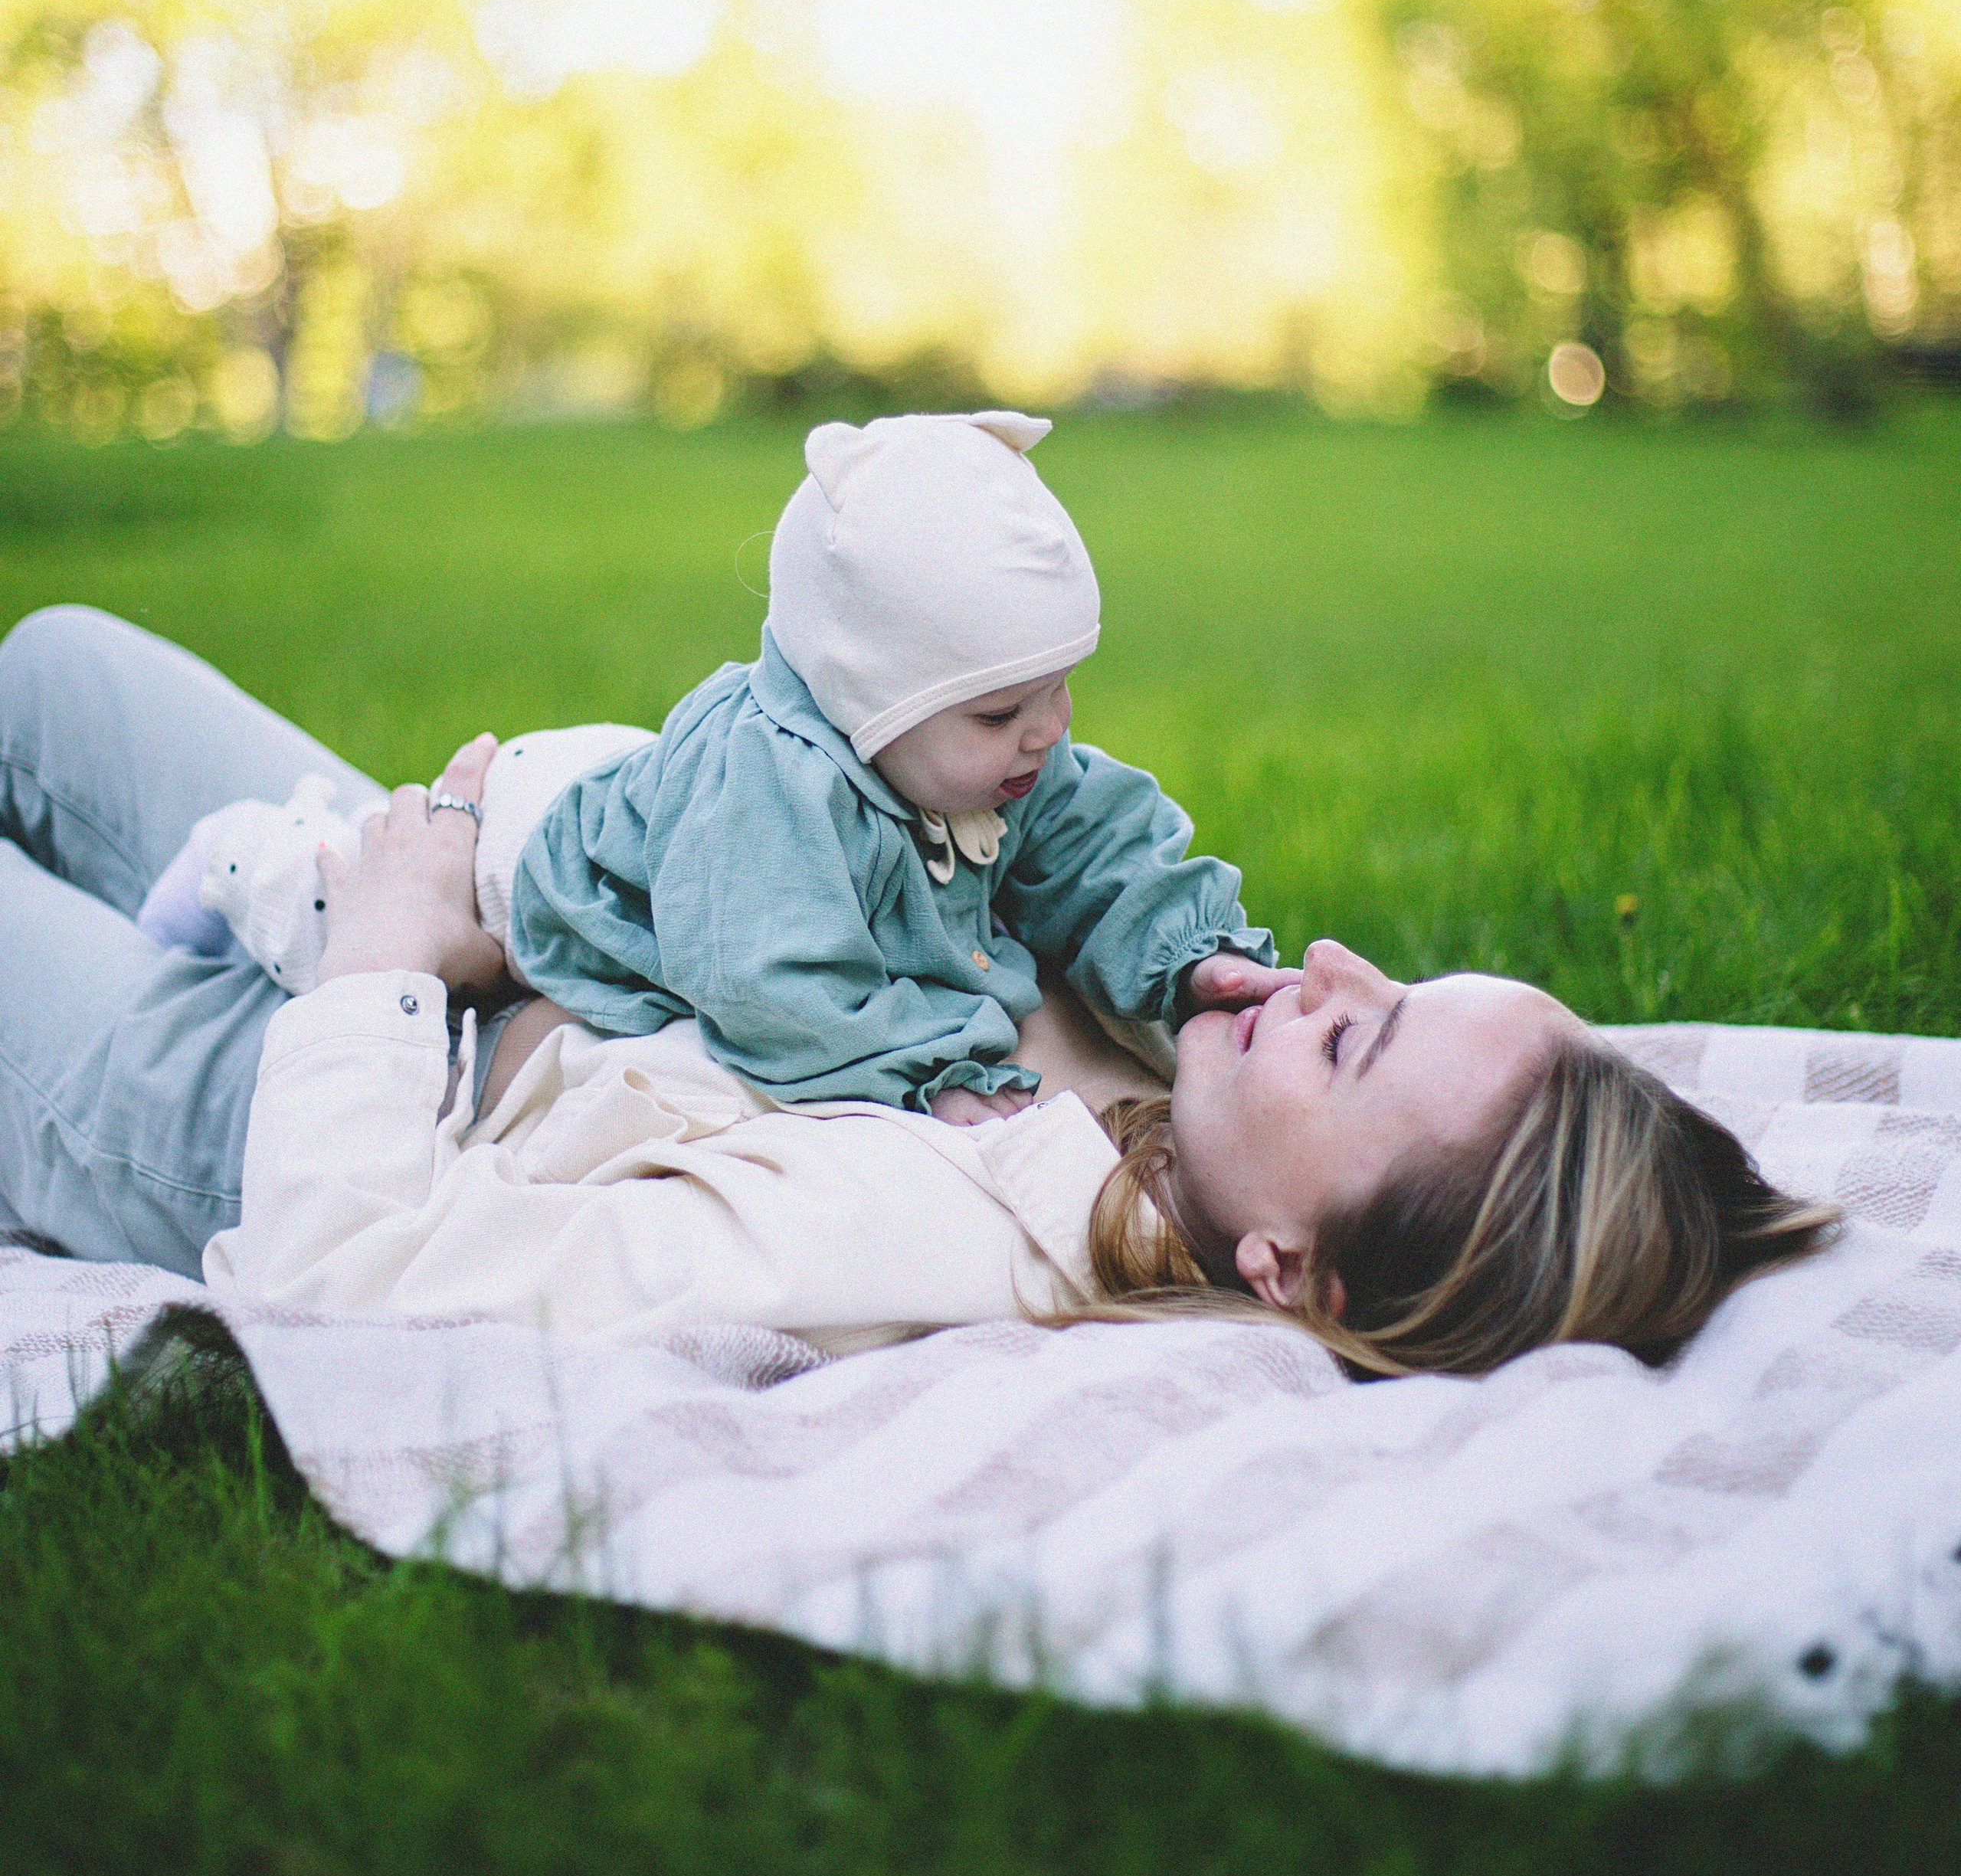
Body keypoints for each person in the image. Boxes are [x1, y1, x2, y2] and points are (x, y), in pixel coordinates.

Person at [1, 604, 1838, 1375]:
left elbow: (353, 1280)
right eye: (1389, 976)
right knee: (62, 670)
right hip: (495, 929)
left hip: (303, 1108)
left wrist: (393, 959)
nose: (1325, 965)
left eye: (1356, 1036)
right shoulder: (1173, 1055)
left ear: (1291, 1271)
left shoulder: (926, 1247)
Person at [136, 410, 1278, 1126]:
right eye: (998, 710)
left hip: (652, 805)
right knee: (363, 918)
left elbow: (1105, 849)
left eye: (1056, 690)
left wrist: (1189, 960)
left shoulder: (990, 760)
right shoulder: (775, 793)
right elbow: (769, 988)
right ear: (866, 694)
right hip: (529, 854)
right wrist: (942, 1067)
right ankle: (243, 853)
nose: (1048, 730)